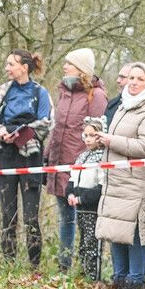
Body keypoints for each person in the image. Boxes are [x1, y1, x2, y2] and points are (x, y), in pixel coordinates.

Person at [0, 49, 53, 268]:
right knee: (8, 213)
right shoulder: (3, 92)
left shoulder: (40, 93)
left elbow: (45, 125)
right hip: (6, 154)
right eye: (7, 64)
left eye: (11, 64)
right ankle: (8, 264)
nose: (7, 68)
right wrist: (1, 132)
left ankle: (34, 265)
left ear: (24, 67)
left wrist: (19, 133)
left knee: (31, 214)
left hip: (31, 155)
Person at [95, 62, 145, 289]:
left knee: (135, 232)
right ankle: (119, 277)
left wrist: (110, 141)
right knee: (116, 229)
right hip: (116, 178)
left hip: (137, 181)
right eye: (131, 78)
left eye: (139, 79)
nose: (133, 82)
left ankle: (136, 281)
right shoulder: (124, 106)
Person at [45, 48, 107, 273]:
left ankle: (88, 267)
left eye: (69, 63)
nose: (64, 67)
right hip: (59, 162)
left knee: (84, 220)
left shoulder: (96, 95)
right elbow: (57, 128)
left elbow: (97, 132)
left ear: (81, 68)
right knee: (65, 217)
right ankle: (64, 265)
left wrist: (88, 163)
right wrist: (47, 156)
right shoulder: (64, 92)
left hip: (82, 168)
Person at [66, 117, 107, 280]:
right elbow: (72, 179)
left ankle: (93, 277)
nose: (88, 139)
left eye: (92, 135)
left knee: (93, 244)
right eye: (86, 135)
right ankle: (83, 274)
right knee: (83, 243)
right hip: (80, 209)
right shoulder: (81, 157)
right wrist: (69, 193)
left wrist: (82, 198)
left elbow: (101, 186)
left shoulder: (102, 158)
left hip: (93, 209)